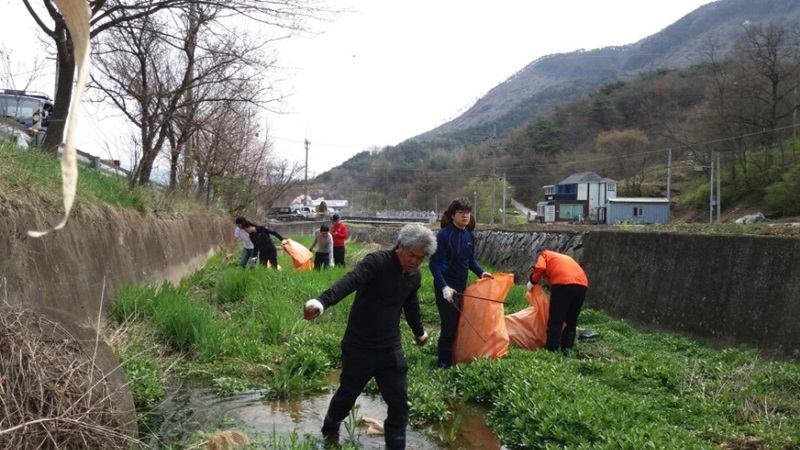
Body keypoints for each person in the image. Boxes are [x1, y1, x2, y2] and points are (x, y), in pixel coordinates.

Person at [303, 223, 435, 450]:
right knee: (346, 397)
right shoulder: (377, 263)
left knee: (399, 402)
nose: (414, 261)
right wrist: (323, 302)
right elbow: (350, 280)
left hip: (390, 349)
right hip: (359, 346)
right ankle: (330, 431)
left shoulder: (414, 276)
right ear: (399, 247)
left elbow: (411, 304)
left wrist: (419, 332)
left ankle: (396, 445)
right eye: (411, 255)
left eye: (421, 258)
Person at [428, 198, 492, 369]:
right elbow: (433, 264)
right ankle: (443, 364)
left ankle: (455, 358)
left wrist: (481, 272)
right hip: (446, 287)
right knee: (449, 327)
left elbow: (470, 261)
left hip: (462, 287)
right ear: (452, 215)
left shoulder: (469, 236)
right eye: (461, 212)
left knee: (460, 325)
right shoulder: (443, 236)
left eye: (468, 212)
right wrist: (443, 287)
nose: (465, 216)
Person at [527, 247, 589, 353]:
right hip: (582, 285)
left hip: (563, 284)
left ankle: (551, 352)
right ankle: (567, 351)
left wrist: (532, 281)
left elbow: (540, 268)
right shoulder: (563, 257)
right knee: (571, 322)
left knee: (556, 321)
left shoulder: (544, 255)